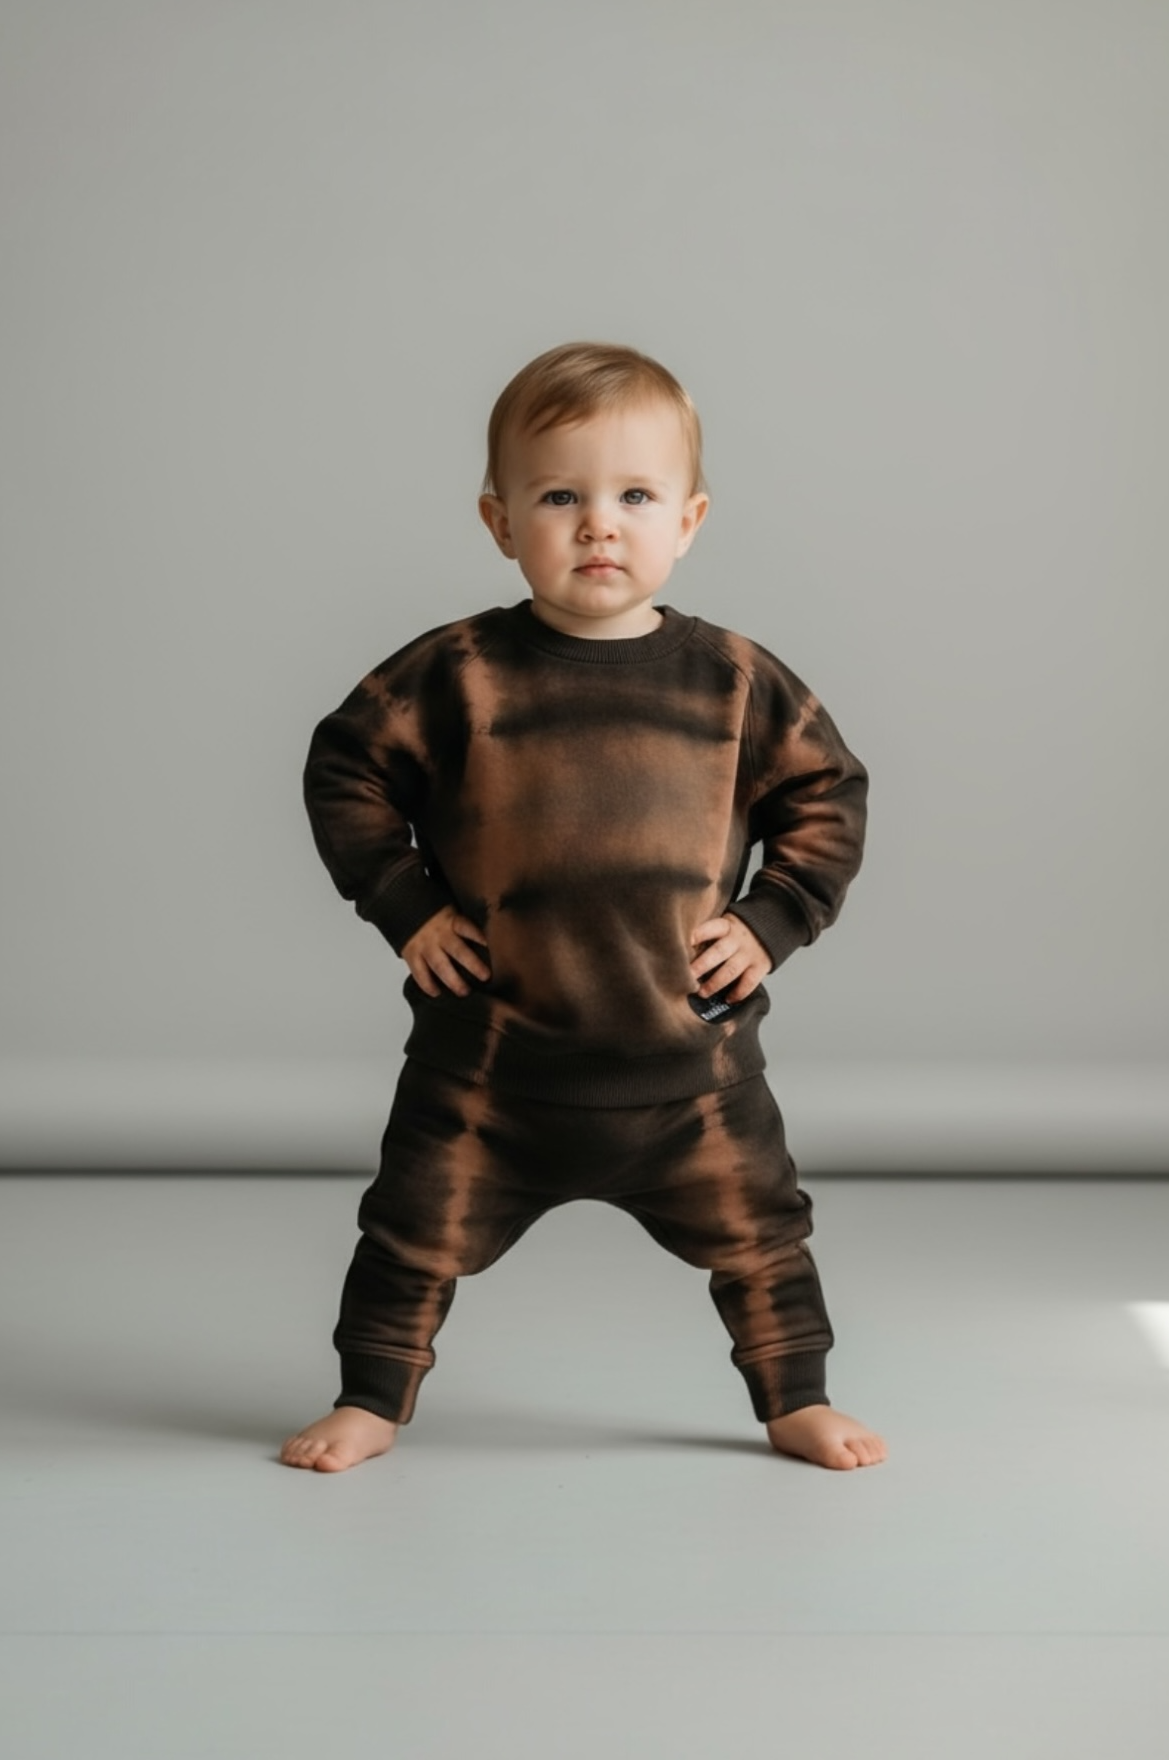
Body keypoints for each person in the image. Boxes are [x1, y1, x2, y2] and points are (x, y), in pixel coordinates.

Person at [280, 341, 886, 1474]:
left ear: (690, 520)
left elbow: (827, 792)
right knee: (408, 1237)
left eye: (634, 496)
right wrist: (406, 905)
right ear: (499, 521)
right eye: (560, 496)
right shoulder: (454, 674)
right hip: (487, 1071)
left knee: (764, 1241)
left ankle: (794, 1396)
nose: (598, 525)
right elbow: (345, 769)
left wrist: (772, 919)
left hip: (690, 1070)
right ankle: (370, 1396)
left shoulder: (738, 682)